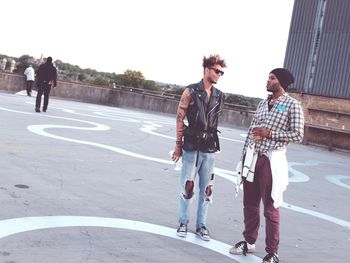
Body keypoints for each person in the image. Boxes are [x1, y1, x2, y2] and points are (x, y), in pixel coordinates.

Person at [229, 68, 304, 263]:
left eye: (272, 78)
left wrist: (270, 134)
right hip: (253, 157)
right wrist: (243, 157)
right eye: (268, 77)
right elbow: (250, 131)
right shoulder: (263, 104)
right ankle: (249, 241)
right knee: (250, 203)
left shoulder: (292, 105)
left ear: (281, 82)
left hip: (272, 159)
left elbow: (298, 134)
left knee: (270, 207)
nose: (268, 80)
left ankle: (272, 252)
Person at [171, 54, 226, 241]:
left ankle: (201, 225)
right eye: (217, 71)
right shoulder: (190, 91)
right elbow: (179, 119)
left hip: (209, 147)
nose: (219, 74)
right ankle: (183, 222)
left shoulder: (220, 96)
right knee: (187, 186)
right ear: (206, 70)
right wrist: (178, 145)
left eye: (221, 72)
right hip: (191, 144)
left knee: (207, 188)